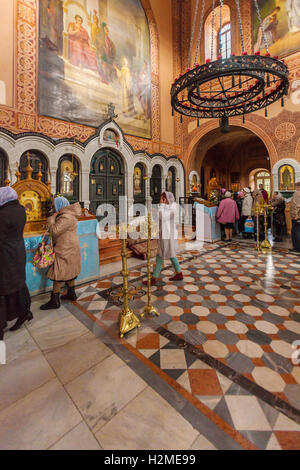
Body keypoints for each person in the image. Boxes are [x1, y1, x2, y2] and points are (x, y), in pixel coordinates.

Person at [0, 187, 33, 339]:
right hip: (18, 251)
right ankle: (25, 311)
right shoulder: (20, 209)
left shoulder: (3, 214)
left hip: (5, 255)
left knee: (4, 287)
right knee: (18, 283)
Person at [40, 196, 82, 310]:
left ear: (60, 205)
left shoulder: (66, 217)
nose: (53, 208)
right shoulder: (68, 215)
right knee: (70, 269)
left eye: (54, 205)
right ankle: (71, 293)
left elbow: (54, 231)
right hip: (69, 246)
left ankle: (55, 301)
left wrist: (51, 218)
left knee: (58, 273)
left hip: (65, 248)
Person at [143, 192, 182, 286]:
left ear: (168, 199)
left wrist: (161, 205)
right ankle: (178, 273)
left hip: (168, 236)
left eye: (164, 198)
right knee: (166, 255)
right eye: (162, 198)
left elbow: (162, 217)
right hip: (165, 234)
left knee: (164, 255)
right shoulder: (168, 207)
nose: (162, 199)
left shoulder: (173, 208)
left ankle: (154, 278)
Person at [290, 181, 300, 252]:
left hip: (297, 216)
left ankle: (297, 248)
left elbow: (296, 206)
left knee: (295, 232)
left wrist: (295, 215)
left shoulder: (297, 193)